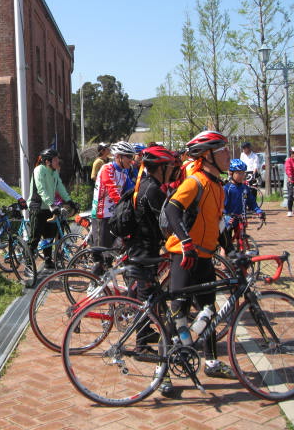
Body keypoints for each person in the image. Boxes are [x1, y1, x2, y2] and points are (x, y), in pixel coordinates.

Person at [164, 130, 237, 380]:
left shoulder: (217, 186)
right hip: (184, 256)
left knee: (209, 310)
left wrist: (233, 249)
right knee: (177, 312)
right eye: (223, 151)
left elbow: (218, 223)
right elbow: (173, 208)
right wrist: (185, 241)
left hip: (205, 257)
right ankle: (164, 370)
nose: (228, 155)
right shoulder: (194, 181)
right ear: (207, 156)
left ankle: (212, 362)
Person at [123, 145, 178, 397]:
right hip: (144, 253)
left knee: (147, 299)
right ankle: (141, 344)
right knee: (147, 300)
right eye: (170, 167)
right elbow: (165, 222)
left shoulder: (144, 184)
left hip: (142, 250)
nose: (173, 170)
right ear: (161, 168)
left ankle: (145, 338)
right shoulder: (152, 189)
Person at [90, 141, 136, 275]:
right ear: (118, 156)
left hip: (114, 215)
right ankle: (93, 285)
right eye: (129, 157)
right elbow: (113, 190)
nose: (131, 160)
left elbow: (131, 191)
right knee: (101, 255)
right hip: (101, 215)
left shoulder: (124, 172)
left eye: (132, 157)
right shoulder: (107, 169)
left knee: (111, 253)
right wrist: (124, 207)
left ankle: (108, 277)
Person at [28, 148, 75, 270]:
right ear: (48, 161)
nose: (58, 161)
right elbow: (41, 189)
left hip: (50, 207)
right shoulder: (39, 170)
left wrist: (69, 201)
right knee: (35, 236)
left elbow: (60, 187)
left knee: (49, 235)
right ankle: (28, 262)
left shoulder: (54, 172)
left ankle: (48, 260)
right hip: (37, 206)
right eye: (55, 159)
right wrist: (52, 204)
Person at [221, 159, 264, 254]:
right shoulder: (227, 189)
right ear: (231, 173)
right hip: (228, 219)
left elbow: (252, 202)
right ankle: (224, 267)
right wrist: (226, 216)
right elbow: (221, 206)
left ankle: (241, 264)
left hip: (240, 219)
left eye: (243, 173)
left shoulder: (245, 188)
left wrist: (258, 211)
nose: (242, 175)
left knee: (242, 240)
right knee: (226, 245)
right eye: (239, 173)